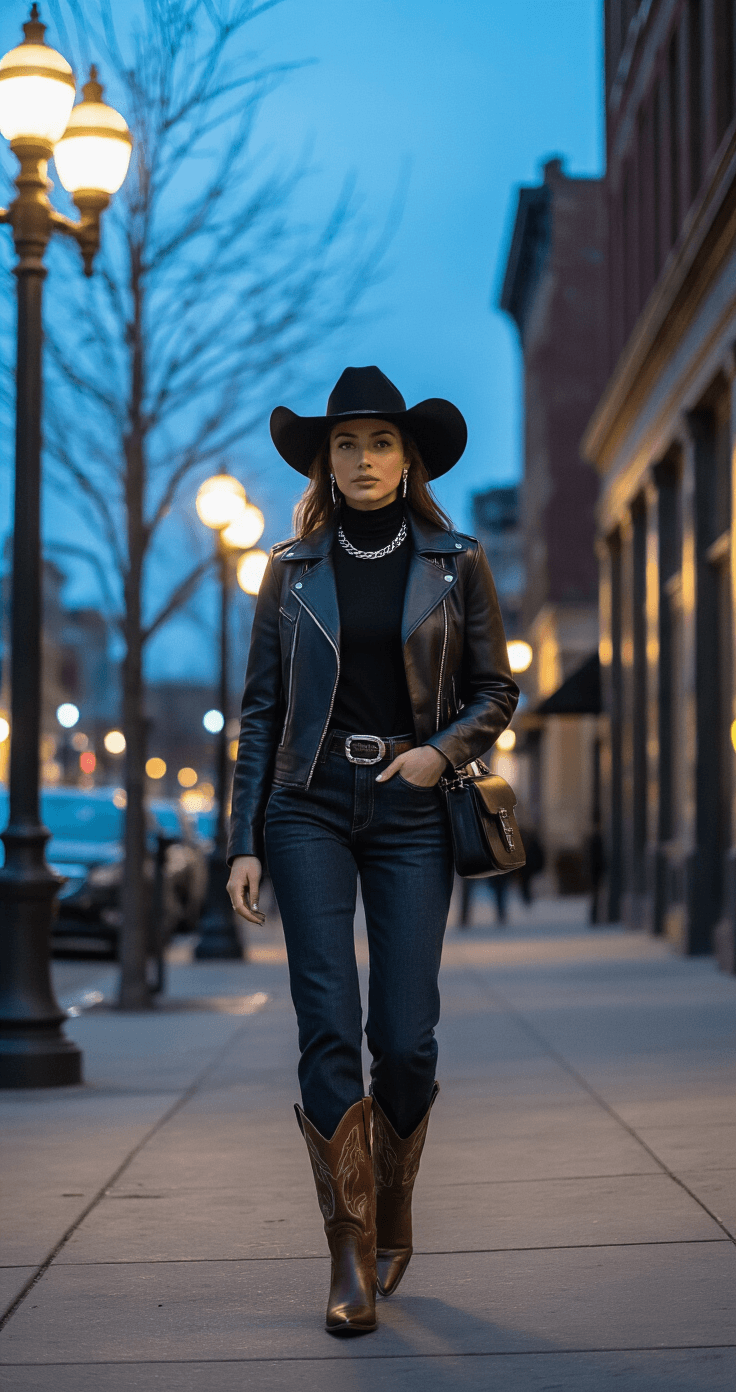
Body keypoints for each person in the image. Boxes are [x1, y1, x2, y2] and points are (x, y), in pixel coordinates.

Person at [226, 366, 518, 1336]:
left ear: (408, 458)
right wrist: (243, 841)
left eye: (379, 443)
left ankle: (394, 1201)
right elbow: (260, 711)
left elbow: (495, 691)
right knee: (325, 1023)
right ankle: (346, 1248)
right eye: (343, 445)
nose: (360, 460)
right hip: (305, 807)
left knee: (403, 1033)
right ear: (325, 460)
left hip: (410, 806)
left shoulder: (456, 560)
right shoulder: (290, 567)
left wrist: (441, 753)